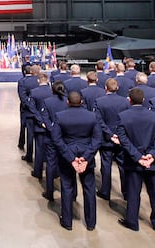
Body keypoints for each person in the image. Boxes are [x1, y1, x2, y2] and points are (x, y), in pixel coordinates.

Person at [116, 88, 155, 231]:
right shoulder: (154, 116)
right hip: (152, 161)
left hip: (133, 162)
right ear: (143, 100)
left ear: (129, 100)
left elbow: (123, 140)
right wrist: (152, 155)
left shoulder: (123, 116)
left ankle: (132, 221)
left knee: (133, 192)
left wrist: (137, 157)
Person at [51, 91, 102, 231]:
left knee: (67, 188)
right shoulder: (92, 116)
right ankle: (91, 223)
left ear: (67, 102)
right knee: (89, 189)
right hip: (87, 156)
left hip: (67, 156)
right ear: (82, 102)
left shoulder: (60, 116)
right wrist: (85, 158)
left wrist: (71, 158)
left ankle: (67, 221)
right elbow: (97, 139)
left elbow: (57, 139)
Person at [94, 78, 130, 201]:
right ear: (117, 88)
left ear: (105, 88)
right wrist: (118, 135)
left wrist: (110, 135)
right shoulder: (125, 102)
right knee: (123, 166)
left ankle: (105, 191)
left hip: (106, 139)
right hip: (121, 139)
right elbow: (126, 120)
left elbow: (99, 120)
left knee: (106, 165)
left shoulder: (99, 102)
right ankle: (126, 192)